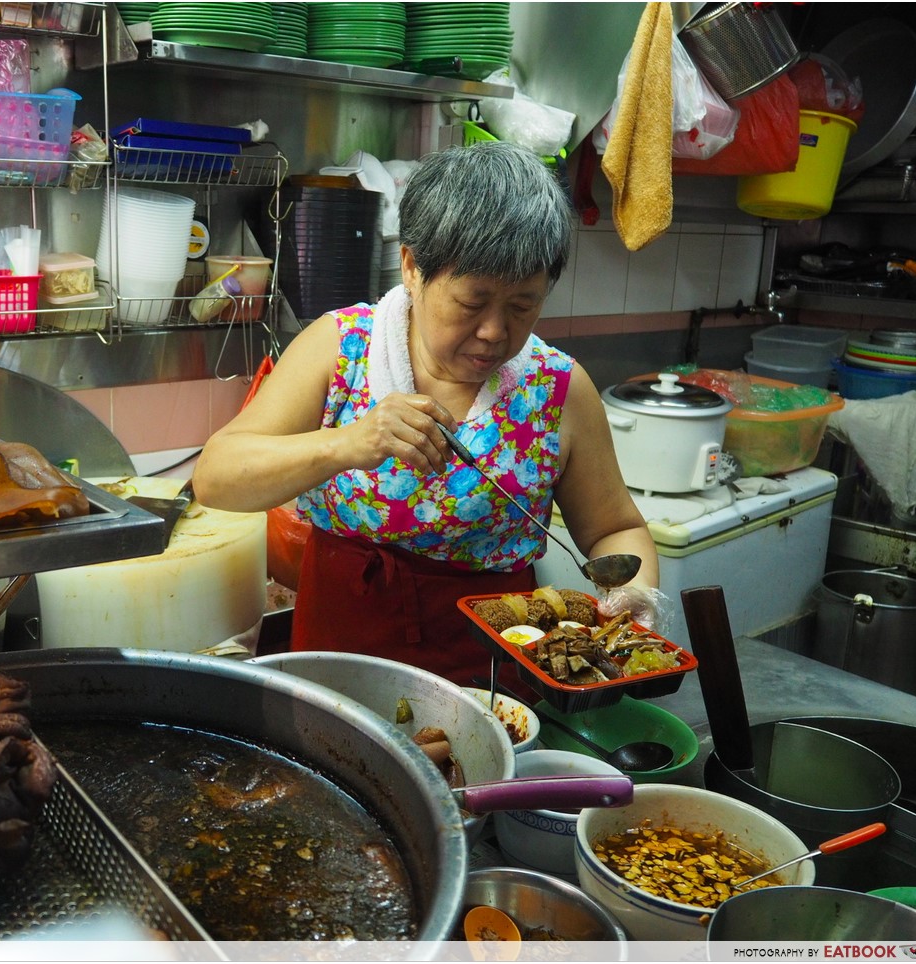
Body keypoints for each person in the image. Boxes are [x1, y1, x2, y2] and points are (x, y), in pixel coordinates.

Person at [193, 141, 659, 686]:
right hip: (341, 651)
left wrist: (633, 598)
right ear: (412, 268)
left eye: (522, 306)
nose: (494, 331)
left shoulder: (558, 389)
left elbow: (616, 530)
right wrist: (346, 444)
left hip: (489, 671)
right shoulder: (341, 350)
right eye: (471, 302)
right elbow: (216, 479)